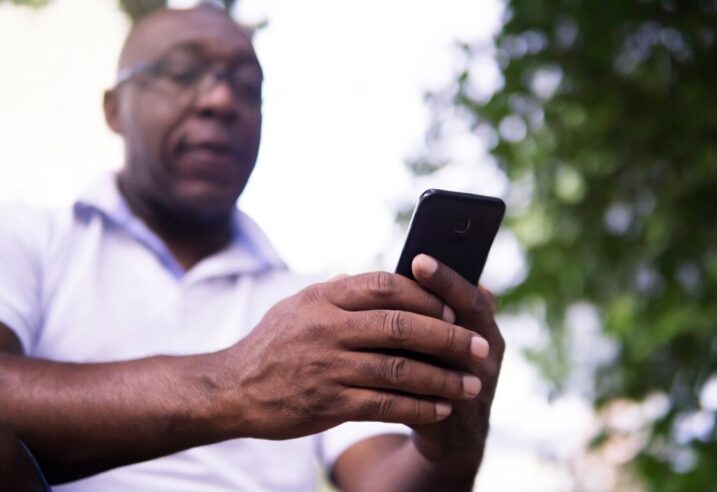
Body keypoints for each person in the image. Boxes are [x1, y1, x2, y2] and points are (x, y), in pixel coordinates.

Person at [0, 5, 504, 491]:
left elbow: (383, 482)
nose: (221, 100)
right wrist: (235, 383)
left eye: (248, 87)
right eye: (180, 72)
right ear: (114, 108)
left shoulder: (313, 309)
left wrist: (454, 451)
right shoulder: (28, 237)